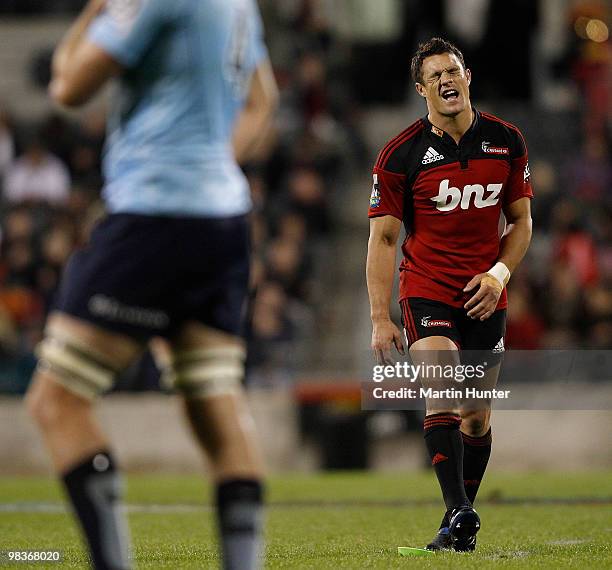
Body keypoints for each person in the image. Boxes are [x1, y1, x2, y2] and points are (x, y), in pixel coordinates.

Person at [25, 1, 278, 569]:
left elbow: (66, 87)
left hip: (153, 215)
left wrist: (93, 11)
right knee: (214, 405)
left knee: (56, 400)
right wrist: (211, 169)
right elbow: (264, 100)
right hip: (222, 222)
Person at [366, 37, 533, 552]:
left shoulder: (506, 141)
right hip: (427, 288)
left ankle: (456, 526)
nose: (446, 80)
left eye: (452, 71)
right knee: (444, 391)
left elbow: (522, 222)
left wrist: (499, 274)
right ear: (421, 89)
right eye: (434, 75)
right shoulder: (400, 154)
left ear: (467, 78)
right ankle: (460, 508)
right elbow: (385, 239)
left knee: (477, 415)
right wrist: (380, 316)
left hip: (486, 294)